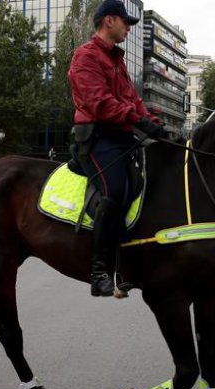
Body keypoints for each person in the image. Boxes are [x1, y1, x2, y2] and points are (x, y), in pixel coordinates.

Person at [68, 0, 164, 297]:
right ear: (109, 21)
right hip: (97, 138)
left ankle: (125, 265)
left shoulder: (117, 61)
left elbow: (132, 100)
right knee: (115, 189)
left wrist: (153, 123)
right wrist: (138, 120)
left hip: (121, 138)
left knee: (137, 185)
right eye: (125, 22)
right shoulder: (85, 56)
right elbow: (99, 103)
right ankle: (99, 272)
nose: (128, 28)